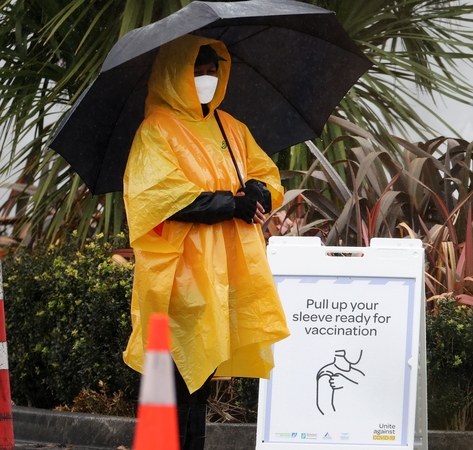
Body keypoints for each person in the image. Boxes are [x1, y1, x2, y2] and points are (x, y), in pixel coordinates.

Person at [122, 35, 290, 450]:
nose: (207, 77)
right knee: (176, 379)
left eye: (213, 68)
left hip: (224, 273)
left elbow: (266, 174)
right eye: (197, 69)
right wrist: (231, 205)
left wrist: (258, 194)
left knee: (202, 381)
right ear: (175, 72)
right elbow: (160, 197)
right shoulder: (156, 130)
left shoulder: (229, 127)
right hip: (178, 277)